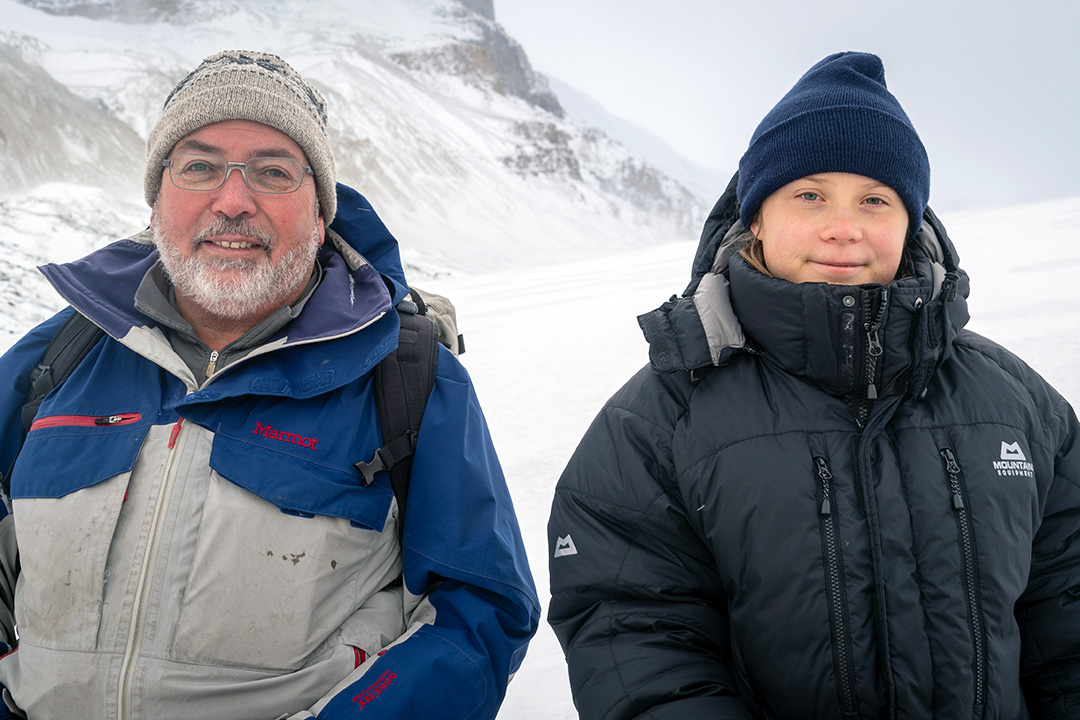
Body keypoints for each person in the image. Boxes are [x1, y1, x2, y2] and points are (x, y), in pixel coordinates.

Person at [0, 50, 539, 719]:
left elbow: (478, 610)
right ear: (155, 202)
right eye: (198, 167)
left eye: (273, 172)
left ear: (319, 216)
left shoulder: (409, 376)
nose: (232, 201)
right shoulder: (58, 355)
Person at [547, 51, 1080, 719]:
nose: (843, 227)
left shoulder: (1020, 409)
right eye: (810, 195)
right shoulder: (658, 425)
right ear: (757, 217)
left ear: (911, 222)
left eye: (875, 200)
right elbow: (637, 639)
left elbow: (1068, 622)